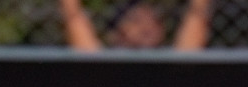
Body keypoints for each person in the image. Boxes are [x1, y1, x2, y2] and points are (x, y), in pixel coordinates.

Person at [59, 0, 211, 50]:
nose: (147, 27)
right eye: (136, 20)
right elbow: (73, 17)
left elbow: (198, 15)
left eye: (155, 21)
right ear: (115, 33)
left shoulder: (172, 69)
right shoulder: (104, 69)